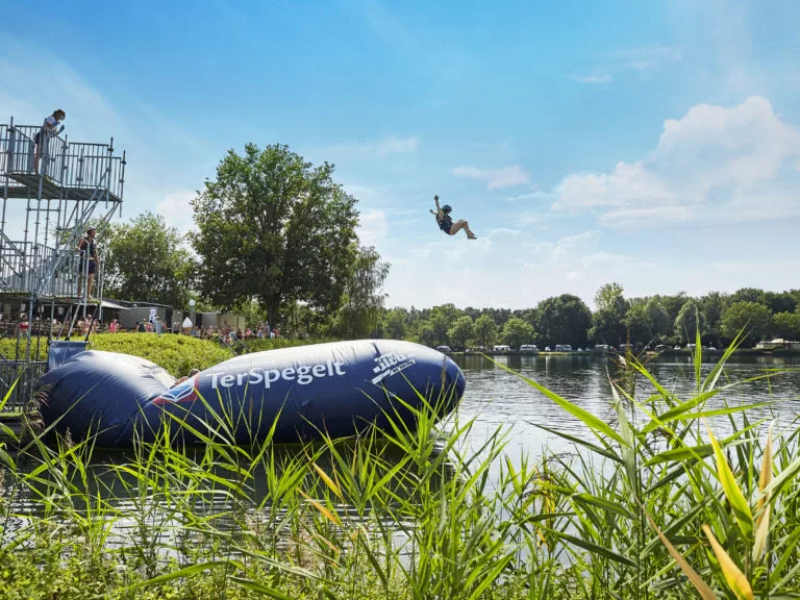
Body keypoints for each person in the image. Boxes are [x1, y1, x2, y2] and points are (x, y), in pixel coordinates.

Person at [34, 109, 66, 175]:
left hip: (46, 138)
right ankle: (36, 171)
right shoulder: (51, 118)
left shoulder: (55, 123)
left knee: (44, 156)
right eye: (61, 116)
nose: (61, 118)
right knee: (39, 154)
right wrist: (54, 124)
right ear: (58, 114)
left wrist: (59, 131)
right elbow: (47, 126)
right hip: (42, 136)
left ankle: (44, 172)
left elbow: (53, 134)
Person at [76, 227, 99, 299]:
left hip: (91, 261)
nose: (95, 233)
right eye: (93, 232)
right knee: (81, 278)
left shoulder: (94, 241)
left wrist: (98, 264)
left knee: (91, 279)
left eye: (95, 232)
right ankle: (78, 295)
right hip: (84, 260)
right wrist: (78, 249)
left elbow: (95, 253)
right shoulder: (83, 239)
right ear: (89, 232)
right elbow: (77, 248)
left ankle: (88, 295)